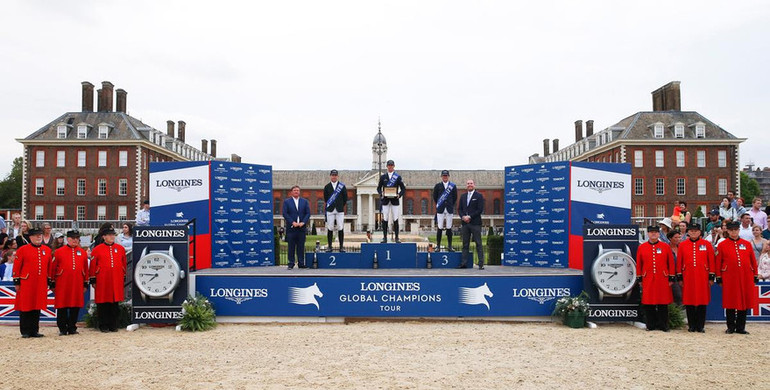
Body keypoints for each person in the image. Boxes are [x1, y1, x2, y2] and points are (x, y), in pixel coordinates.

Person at [716, 221, 758, 334]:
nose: (734, 232)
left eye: (736, 230)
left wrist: (755, 274)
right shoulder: (722, 245)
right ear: (727, 231)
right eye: (731, 230)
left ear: (739, 230)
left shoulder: (747, 244)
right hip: (729, 277)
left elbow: (753, 261)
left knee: (743, 302)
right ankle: (730, 326)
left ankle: (741, 327)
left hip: (745, 276)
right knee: (730, 301)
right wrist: (719, 277)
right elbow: (718, 262)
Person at [12, 227, 51, 338]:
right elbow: (17, 266)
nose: (39, 237)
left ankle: (34, 330)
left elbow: (49, 267)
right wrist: (17, 281)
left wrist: (48, 280)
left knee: (37, 306)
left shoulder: (47, 250)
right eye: (36, 235)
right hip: (26, 282)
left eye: (40, 235)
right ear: (30, 237)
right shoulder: (23, 250)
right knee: (26, 306)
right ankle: (25, 331)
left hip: (40, 282)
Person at [676, 224, 715, 333]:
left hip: (702, 277)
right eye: (691, 231)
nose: (693, 233)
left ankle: (700, 325)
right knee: (689, 301)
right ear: (688, 232)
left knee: (702, 301)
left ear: (700, 232)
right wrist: (680, 276)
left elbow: (711, 260)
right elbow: (680, 261)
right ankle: (691, 325)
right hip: (688, 277)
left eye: (696, 231)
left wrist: (711, 276)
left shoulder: (706, 244)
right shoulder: (683, 245)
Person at [635, 225, 675, 332]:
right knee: (649, 303)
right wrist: (639, 278)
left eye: (655, 232)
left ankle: (664, 325)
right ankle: (650, 325)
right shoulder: (642, 247)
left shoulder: (665, 246)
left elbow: (670, 262)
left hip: (662, 278)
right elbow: (639, 264)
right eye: (651, 232)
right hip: (647, 278)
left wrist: (671, 277)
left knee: (663, 303)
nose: (653, 234)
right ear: (648, 234)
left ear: (658, 234)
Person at [89, 227, 127, 332]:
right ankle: (103, 325)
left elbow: (123, 263)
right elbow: (93, 265)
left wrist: (123, 276)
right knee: (103, 303)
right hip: (103, 280)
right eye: (109, 235)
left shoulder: (120, 249)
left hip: (116, 279)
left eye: (113, 235)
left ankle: (113, 324)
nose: (112, 237)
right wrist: (93, 279)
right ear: (104, 237)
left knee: (114, 304)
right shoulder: (97, 249)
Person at [51, 230, 88, 336]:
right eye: (73, 238)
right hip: (63, 283)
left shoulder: (82, 253)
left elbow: (85, 268)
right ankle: (62, 328)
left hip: (77, 283)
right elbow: (53, 268)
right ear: (68, 239)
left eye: (77, 238)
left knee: (75, 305)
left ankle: (72, 327)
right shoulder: (59, 252)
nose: (75, 240)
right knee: (62, 306)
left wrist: (85, 283)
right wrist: (52, 282)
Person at [457, 179, 485, 270]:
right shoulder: (463, 196)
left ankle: (481, 264)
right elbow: (459, 209)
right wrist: (463, 217)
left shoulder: (479, 196)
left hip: (475, 223)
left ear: (474, 185)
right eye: (468, 183)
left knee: (478, 243)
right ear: (466, 185)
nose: (470, 185)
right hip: (465, 223)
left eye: (471, 183)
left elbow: (479, 210)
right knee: (465, 244)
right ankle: (464, 263)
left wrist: (470, 217)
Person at [376, 160, 406, 243]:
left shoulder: (398, 177)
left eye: (391, 165)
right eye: (389, 165)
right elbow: (378, 188)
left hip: (395, 200)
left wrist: (399, 195)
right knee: (385, 219)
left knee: (395, 218)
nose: (390, 167)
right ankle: (384, 237)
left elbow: (403, 188)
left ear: (394, 166)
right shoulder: (383, 177)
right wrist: (381, 193)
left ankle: (397, 237)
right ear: (387, 166)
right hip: (385, 200)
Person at [282, 185, 310, 269]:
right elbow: (285, 213)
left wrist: (303, 222)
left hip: (301, 227)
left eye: (298, 190)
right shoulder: (287, 202)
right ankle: (291, 263)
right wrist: (292, 222)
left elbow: (307, 213)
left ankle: (301, 263)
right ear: (291, 192)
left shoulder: (304, 201)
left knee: (301, 246)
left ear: (299, 192)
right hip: (291, 227)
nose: (296, 192)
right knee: (291, 246)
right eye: (294, 190)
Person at [433, 170, 458, 252]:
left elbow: (455, 197)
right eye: (443, 176)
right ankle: (438, 246)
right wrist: (440, 204)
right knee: (439, 227)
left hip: (449, 208)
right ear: (441, 177)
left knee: (449, 227)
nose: (445, 177)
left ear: (448, 176)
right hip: (440, 208)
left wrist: (450, 204)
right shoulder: (438, 186)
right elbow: (435, 197)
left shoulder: (453, 186)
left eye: (446, 176)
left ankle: (450, 246)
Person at [323, 169, 348, 252]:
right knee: (330, 228)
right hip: (330, 209)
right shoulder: (327, 187)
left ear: (337, 176)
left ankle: (341, 246)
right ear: (330, 176)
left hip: (339, 210)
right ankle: (329, 246)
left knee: (340, 227)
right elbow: (326, 198)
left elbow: (345, 198)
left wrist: (340, 205)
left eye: (335, 175)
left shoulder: (342, 186)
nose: (334, 176)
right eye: (332, 175)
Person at [667, 230, 683, 305]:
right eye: (676, 237)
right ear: (670, 238)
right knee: (677, 295)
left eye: (679, 237)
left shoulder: (682, 248)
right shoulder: (666, 248)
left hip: (682, 274)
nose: (678, 239)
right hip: (671, 275)